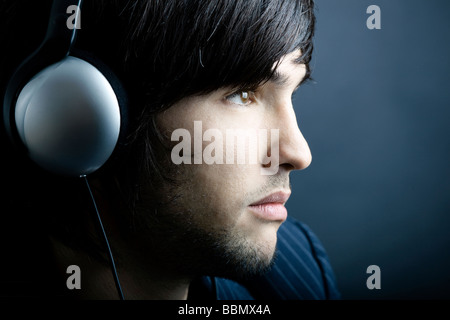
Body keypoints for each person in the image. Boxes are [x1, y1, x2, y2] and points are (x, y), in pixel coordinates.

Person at [0, 0, 340, 300]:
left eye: (291, 94)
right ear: (84, 115)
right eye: (242, 94)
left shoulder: (301, 273)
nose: (299, 153)